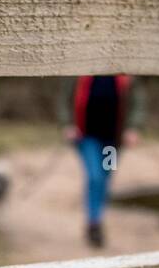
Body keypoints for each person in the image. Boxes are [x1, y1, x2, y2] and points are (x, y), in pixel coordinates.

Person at [55, 75, 146, 247]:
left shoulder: (125, 75)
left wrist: (133, 128)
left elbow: (137, 103)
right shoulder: (81, 72)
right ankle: (94, 222)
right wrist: (67, 124)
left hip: (112, 142)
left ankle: (97, 218)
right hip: (87, 137)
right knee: (95, 176)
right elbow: (64, 99)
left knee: (105, 178)